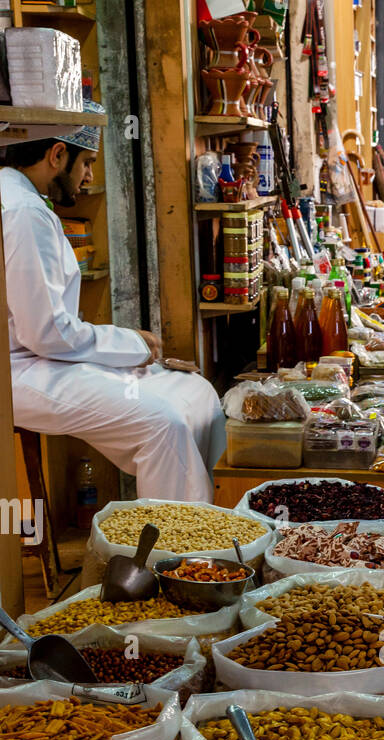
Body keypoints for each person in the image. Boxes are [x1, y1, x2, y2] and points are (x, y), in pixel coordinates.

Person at [1, 103, 225, 502]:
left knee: (196, 391)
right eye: (86, 162)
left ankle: (220, 524)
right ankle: (173, 554)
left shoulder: (22, 201)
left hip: (40, 357)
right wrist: (133, 345)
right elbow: (46, 334)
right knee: (163, 422)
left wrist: (136, 353)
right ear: (57, 155)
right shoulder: (22, 211)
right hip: (19, 371)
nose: (88, 176)